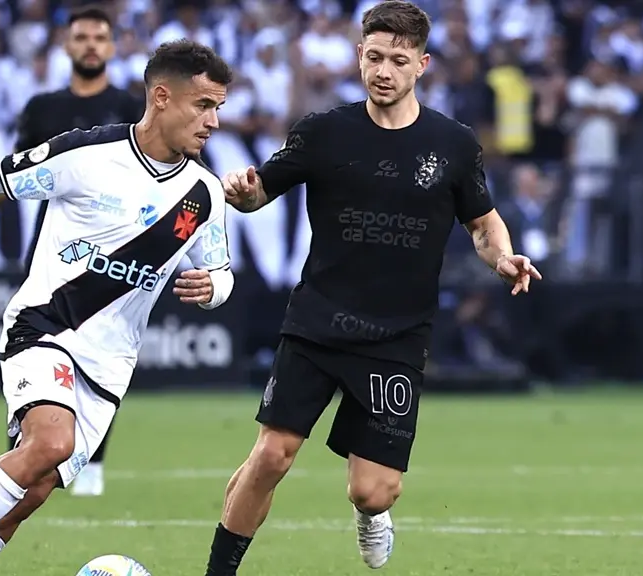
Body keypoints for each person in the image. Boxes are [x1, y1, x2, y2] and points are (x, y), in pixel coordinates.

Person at [0, 39, 235, 576]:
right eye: (205, 105)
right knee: (51, 440)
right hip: (46, 324)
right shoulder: (87, 157)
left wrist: (212, 288)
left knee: (32, 494)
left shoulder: (203, 195)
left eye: (219, 108)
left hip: (110, 365)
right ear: (162, 97)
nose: (214, 121)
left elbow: (222, 272)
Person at [205, 2, 542, 574]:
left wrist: (504, 259)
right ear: (359, 55)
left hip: (397, 336)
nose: (383, 70)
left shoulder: (454, 145)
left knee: (373, 490)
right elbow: (260, 190)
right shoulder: (323, 132)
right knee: (272, 454)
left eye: (398, 59)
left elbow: (483, 225)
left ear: (422, 64)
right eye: (374, 56)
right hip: (316, 320)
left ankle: (372, 515)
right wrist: (241, 191)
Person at [0, 6, 144, 499]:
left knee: (101, 353)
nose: (92, 44)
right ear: (67, 46)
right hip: (53, 252)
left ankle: (92, 458)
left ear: (113, 47)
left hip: (115, 256)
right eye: (82, 37)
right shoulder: (43, 109)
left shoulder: (131, 108)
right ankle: (27, 431)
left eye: (100, 36)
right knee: (32, 339)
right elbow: (8, 176)